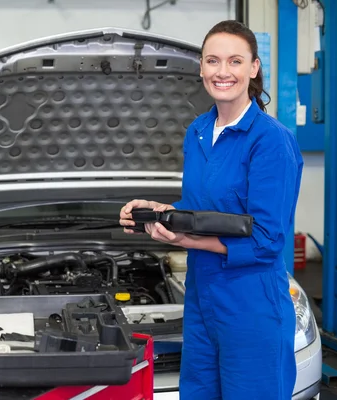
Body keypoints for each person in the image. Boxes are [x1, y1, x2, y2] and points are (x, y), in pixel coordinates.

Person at [119, 20, 303, 399]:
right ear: (201, 67)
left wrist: (186, 239)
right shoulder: (199, 131)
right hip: (202, 295)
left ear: (253, 68)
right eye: (213, 61)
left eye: (235, 61)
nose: (222, 72)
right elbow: (204, 209)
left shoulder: (271, 141)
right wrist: (159, 211)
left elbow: (267, 241)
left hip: (250, 300)